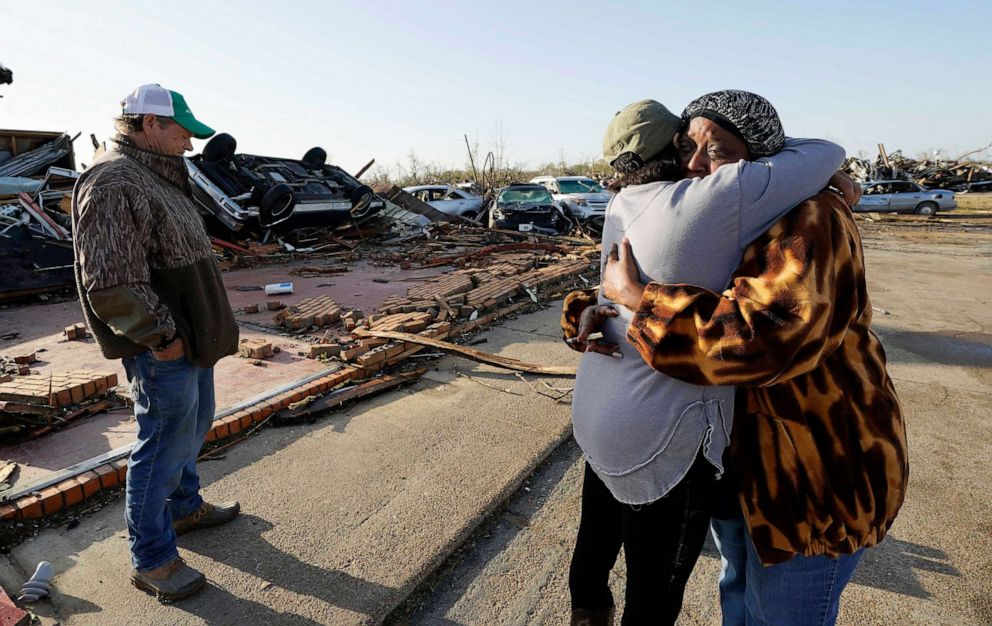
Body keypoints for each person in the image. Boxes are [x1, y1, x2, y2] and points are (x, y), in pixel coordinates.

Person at [564, 91, 907, 626]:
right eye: (688, 147)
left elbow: (761, 341)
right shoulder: (718, 202)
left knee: (781, 615)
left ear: (761, 156)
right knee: (740, 600)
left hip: (811, 473)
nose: (697, 166)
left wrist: (640, 303)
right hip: (743, 466)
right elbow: (686, 276)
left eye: (718, 152)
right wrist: (593, 312)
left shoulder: (812, 217)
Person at [72, 84, 241, 600]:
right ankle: (152, 560)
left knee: (192, 428)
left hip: (192, 340)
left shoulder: (157, 174)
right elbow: (110, 280)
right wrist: (161, 337)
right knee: (162, 448)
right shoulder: (114, 180)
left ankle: (185, 508)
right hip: (165, 345)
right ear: (150, 124)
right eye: (182, 133)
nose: (190, 145)